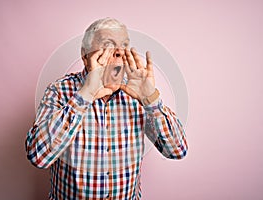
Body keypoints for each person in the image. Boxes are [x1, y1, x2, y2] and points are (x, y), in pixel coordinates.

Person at [26, 17, 188, 200]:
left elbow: (177, 150)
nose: (119, 52)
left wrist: (151, 99)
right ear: (85, 55)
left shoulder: (136, 93)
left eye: (124, 45)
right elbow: (38, 156)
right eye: (108, 44)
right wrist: (85, 94)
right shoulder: (59, 91)